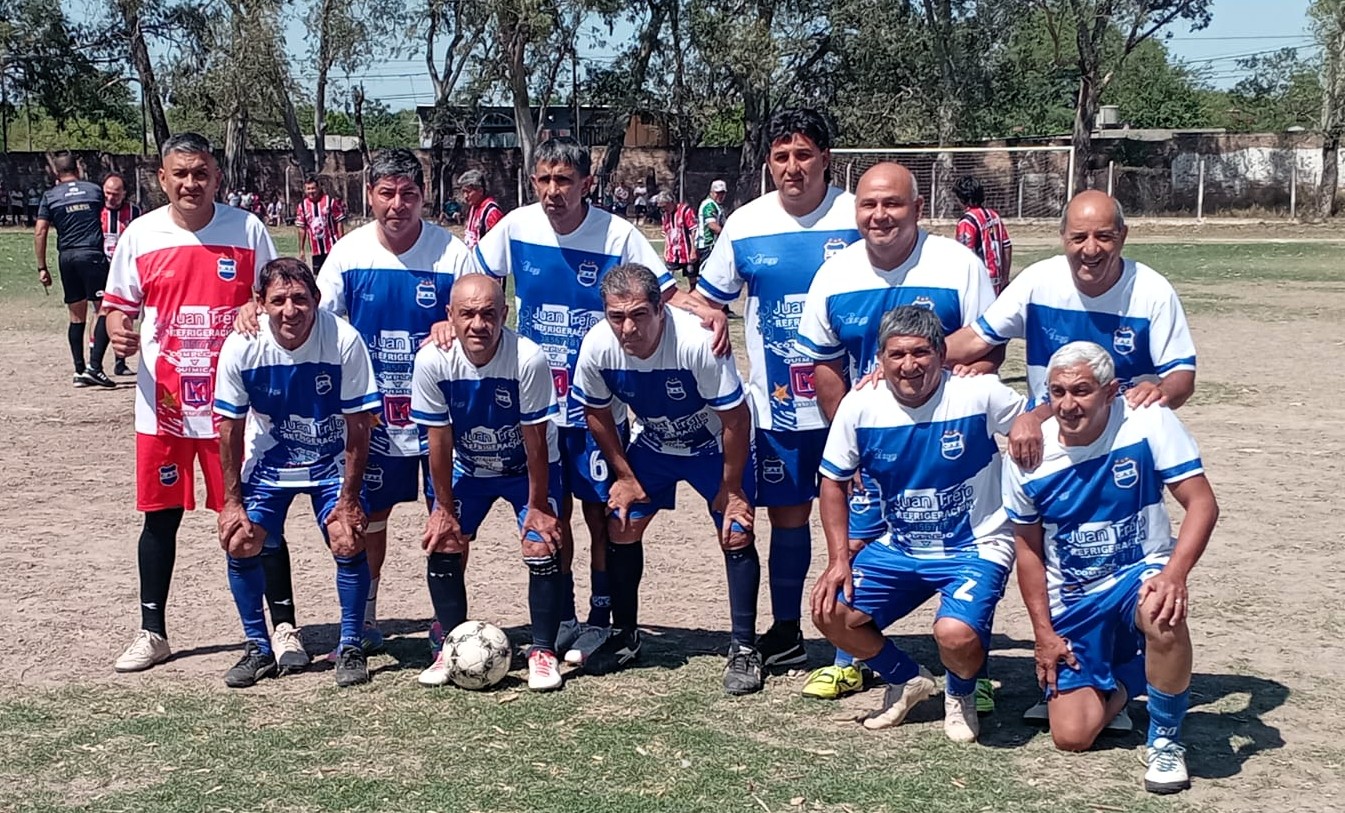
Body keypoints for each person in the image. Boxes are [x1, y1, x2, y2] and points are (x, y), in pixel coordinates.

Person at [240, 148, 472, 653]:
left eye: (408, 194)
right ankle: (365, 620)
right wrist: (252, 309)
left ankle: (446, 623)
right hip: (371, 416)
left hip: (440, 416)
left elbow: (480, 309)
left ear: (423, 197)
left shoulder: (452, 253)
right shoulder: (348, 253)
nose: (397, 204)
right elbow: (310, 311)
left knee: (447, 519)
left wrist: (452, 320)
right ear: (370, 196)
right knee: (369, 519)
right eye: (387, 193)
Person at [464, 136, 679, 666]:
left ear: (587, 183)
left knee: (603, 512)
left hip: (597, 404)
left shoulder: (618, 234)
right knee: (550, 509)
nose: (552, 191)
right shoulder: (515, 227)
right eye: (543, 179)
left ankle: (603, 615)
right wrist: (443, 325)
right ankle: (560, 617)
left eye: (564, 180)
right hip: (536, 405)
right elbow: (472, 284)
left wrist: (711, 312)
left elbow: (667, 295)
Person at [794, 161, 998, 702]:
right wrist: (852, 443)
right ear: (855, 211)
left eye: (892, 204)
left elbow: (988, 350)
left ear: (917, 208)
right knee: (853, 551)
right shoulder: (834, 275)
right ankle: (855, 662)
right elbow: (825, 366)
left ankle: (972, 673)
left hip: (946, 447)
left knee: (965, 550)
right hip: (875, 451)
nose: (880, 215)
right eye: (869, 204)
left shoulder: (959, 265)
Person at [104, 132, 302, 675]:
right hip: (163, 408)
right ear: (162, 179)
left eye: (200, 173)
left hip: (233, 410)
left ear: (217, 177)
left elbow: (277, 295)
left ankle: (284, 628)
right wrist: (118, 328)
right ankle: (153, 632)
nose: (191, 183)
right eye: (180, 174)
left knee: (255, 520)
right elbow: (118, 305)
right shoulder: (141, 234)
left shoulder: (248, 229)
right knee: (160, 519)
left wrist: (255, 306)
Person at [685, 107, 861, 671]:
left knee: (860, 526)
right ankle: (787, 631)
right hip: (779, 408)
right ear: (768, 162)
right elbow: (706, 298)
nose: (792, 167)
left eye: (804, 154)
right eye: (781, 156)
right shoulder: (746, 224)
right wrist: (710, 312)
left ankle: (859, 641)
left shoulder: (857, 216)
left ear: (825, 158)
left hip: (855, 407)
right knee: (788, 516)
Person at [1004, 341, 1218, 794]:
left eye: (1081, 391)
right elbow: (1028, 550)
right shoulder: (1028, 454)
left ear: (1111, 391)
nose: (1068, 405)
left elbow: (1202, 504)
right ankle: (1125, 679)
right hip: (1074, 597)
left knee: (1161, 609)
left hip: (1137, 571)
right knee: (1072, 736)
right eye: (1057, 392)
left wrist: (1173, 574)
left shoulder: (1148, 420)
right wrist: (1043, 634)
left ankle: (1165, 739)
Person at [811, 306, 1025, 742]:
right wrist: (838, 560)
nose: (909, 365)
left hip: (976, 545)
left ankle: (960, 693)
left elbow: (1037, 421)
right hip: (902, 545)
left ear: (942, 354)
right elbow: (832, 481)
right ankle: (907, 679)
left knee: (954, 634)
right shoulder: (860, 404)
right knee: (828, 610)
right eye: (897, 354)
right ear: (880, 359)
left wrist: (1028, 427)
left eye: (921, 352)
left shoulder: (978, 392)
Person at [572, 264, 760, 693]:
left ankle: (745, 647)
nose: (628, 328)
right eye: (617, 316)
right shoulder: (598, 345)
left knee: (736, 531)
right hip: (656, 442)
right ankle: (626, 636)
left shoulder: (696, 341)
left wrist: (732, 490)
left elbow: (735, 419)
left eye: (639, 314)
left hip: (713, 443)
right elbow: (596, 411)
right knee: (621, 522)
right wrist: (624, 476)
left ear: (661, 310)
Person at [214, 258, 380, 688]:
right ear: (260, 303)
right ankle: (258, 647)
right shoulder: (241, 345)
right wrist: (231, 502)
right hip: (270, 460)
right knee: (240, 538)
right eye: (279, 300)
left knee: (347, 535)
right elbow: (229, 428)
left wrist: (349, 499)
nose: (291, 310)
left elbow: (360, 425)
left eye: (300, 299)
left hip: (329, 459)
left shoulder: (343, 339)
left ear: (317, 299)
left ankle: (351, 644)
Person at [946, 190, 1197, 470]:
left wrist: (1159, 391)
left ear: (1123, 236)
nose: (1090, 249)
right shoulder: (1037, 282)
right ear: (1063, 236)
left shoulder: (1153, 292)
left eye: (1104, 236)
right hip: (1051, 438)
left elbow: (1182, 376)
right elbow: (974, 339)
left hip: (1124, 442)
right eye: (1079, 238)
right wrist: (915, 357)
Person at [411, 276, 566, 691]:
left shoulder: (528, 358)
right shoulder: (431, 361)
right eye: (467, 314)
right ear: (450, 316)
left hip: (525, 468)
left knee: (540, 542)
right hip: (469, 467)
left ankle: (543, 651)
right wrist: (443, 509)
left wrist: (538, 507)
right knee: (444, 539)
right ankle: (450, 646)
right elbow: (438, 441)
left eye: (488, 314)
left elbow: (535, 440)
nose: (478, 324)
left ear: (504, 315)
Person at [35, 152, 116, 388]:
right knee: (104, 309)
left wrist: (42, 267)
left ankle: (79, 370)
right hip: (91, 255)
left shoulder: (50, 196)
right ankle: (95, 368)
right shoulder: (93, 190)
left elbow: (40, 231)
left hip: (67, 258)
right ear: (78, 169)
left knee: (76, 315)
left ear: (56, 172)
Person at [101, 172, 142, 377]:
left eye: (115, 194)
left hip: (125, 270)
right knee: (102, 312)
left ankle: (120, 361)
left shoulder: (134, 212)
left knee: (126, 313)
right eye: (107, 193)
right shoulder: (97, 211)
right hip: (102, 268)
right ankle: (94, 363)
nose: (110, 198)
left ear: (124, 193)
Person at [953, 177, 1013, 295]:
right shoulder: (994, 215)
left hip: (979, 285)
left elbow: (965, 255)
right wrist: (1005, 278)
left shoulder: (967, 222)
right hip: (997, 282)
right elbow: (1007, 246)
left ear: (962, 198)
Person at [295, 176, 347, 274]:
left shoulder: (329, 201)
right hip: (316, 249)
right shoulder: (302, 206)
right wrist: (301, 250)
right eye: (308, 189)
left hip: (331, 246)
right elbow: (301, 229)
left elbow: (339, 222)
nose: (311, 191)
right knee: (318, 276)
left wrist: (341, 242)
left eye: (313, 188)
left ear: (318, 188)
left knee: (335, 274)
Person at [655, 191, 698, 287]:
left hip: (687, 252)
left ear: (671, 202)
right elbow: (667, 234)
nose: (663, 209)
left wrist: (693, 250)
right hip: (672, 253)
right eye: (661, 207)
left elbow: (693, 231)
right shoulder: (665, 215)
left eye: (664, 206)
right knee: (667, 279)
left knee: (692, 278)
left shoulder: (685, 211)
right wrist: (666, 252)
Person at [693, 180, 728, 292]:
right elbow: (712, 225)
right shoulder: (709, 205)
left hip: (711, 245)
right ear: (711, 192)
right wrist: (727, 236)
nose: (720, 196)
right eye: (718, 193)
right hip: (708, 244)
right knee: (707, 273)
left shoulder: (716, 205)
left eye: (722, 193)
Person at [457, 169, 504, 250]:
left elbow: (499, 243)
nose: (465, 196)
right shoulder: (473, 207)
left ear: (480, 191)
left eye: (468, 192)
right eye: (463, 192)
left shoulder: (491, 212)